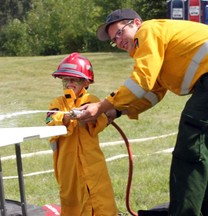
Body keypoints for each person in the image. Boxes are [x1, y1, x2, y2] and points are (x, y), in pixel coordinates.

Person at [77, 8, 208, 216]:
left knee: (191, 144)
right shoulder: (157, 48)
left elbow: (141, 80)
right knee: (202, 150)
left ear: (136, 22)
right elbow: (152, 91)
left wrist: (102, 106)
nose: (118, 41)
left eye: (120, 32)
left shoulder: (148, 31)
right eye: (114, 40)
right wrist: (117, 111)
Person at [45, 52, 118, 216]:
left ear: (85, 82)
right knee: (71, 199)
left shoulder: (91, 100)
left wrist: (88, 117)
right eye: (65, 80)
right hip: (67, 165)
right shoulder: (58, 103)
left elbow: (100, 120)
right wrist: (66, 116)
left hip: (91, 163)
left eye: (73, 80)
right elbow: (50, 119)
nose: (68, 84)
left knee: (99, 198)